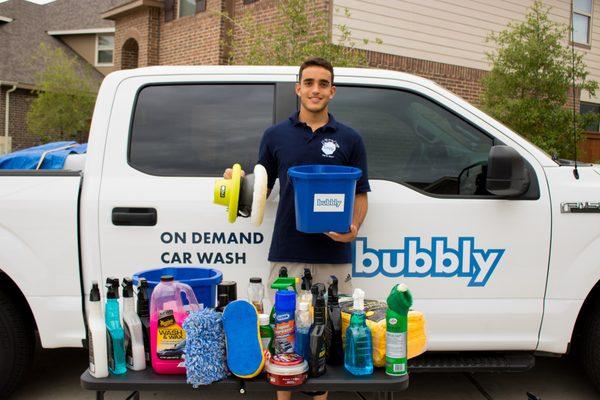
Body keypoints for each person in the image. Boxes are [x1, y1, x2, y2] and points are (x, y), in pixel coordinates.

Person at [224, 57, 370, 400]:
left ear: (332, 91)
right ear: (298, 88)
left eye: (322, 84)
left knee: (326, 336)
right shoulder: (275, 136)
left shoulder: (350, 139)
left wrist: (354, 228)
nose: (315, 90)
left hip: (334, 254)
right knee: (284, 335)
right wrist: (235, 183)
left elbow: (361, 193)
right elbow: (258, 187)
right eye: (309, 82)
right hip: (287, 251)